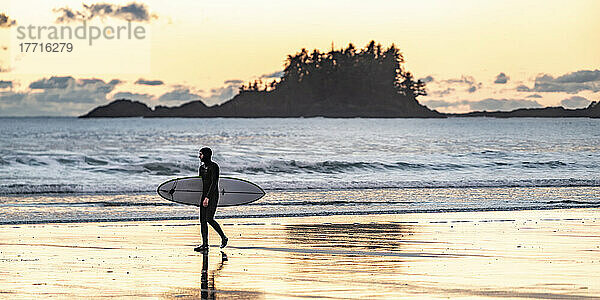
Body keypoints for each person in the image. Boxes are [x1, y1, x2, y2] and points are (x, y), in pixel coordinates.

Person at [194, 147, 228, 252]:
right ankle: (205, 245)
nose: (199, 156)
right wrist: (198, 198)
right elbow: (199, 185)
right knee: (202, 221)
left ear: (206, 155)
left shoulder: (214, 167)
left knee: (209, 218)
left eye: (201, 154)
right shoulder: (201, 168)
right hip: (203, 196)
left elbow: (214, 183)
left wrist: (207, 197)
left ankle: (223, 237)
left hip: (212, 196)